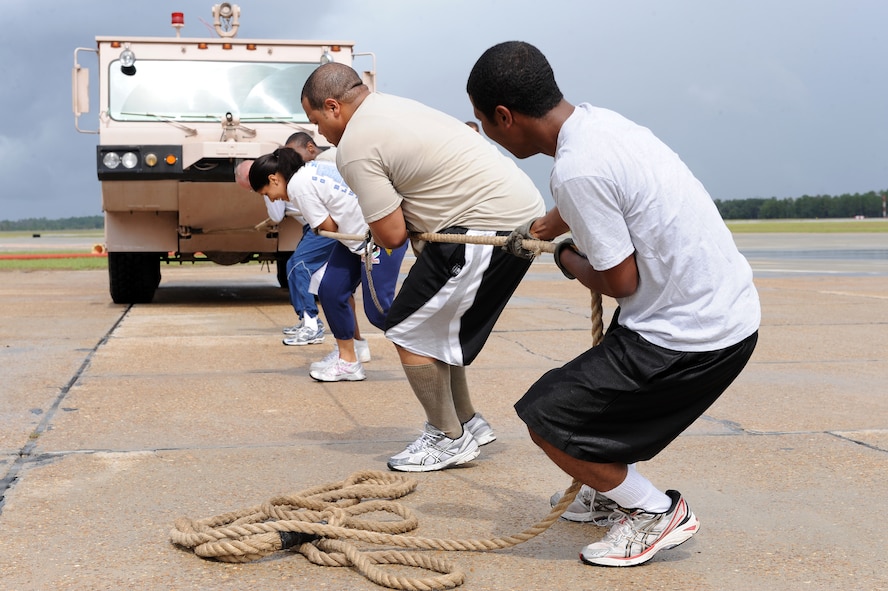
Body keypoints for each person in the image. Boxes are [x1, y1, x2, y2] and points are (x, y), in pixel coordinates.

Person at [466, 41, 761, 567]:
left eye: (483, 122)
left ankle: (653, 512)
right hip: (724, 310)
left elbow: (618, 281)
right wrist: (541, 227)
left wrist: (562, 257)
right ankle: (609, 491)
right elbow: (597, 195)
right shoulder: (600, 125)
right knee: (587, 401)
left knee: (548, 417)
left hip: (690, 337)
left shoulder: (575, 169)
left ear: (505, 117)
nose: (486, 132)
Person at [301, 63, 546, 471]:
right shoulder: (392, 106)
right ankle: (468, 423)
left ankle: (448, 437)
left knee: (408, 329)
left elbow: (392, 234)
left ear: (332, 107)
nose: (320, 133)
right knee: (435, 332)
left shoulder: (356, 144)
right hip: (511, 217)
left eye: (316, 122)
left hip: (483, 228)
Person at [249, 147, 406, 381]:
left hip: (379, 238)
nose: (272, 198)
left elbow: (328, 227)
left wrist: (316, 224)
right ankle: (348, 360)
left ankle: (427, 349)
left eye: (266, 192)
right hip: (354, 240)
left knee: (379, 311)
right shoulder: (311, 169)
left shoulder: (297, 187)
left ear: (273, 179)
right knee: (331, 291)